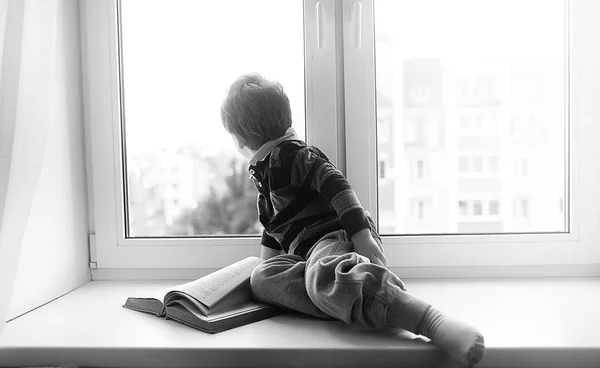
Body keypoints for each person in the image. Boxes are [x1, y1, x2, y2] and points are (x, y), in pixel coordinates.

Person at [220, 73, 485, 367]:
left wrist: (361, 236)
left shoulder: (292, 154)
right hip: (313, 254)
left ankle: (428, 321)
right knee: (262, 280)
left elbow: (337, 185)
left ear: (240, 136)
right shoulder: (264, 174)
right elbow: (273, 230)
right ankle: (355, 300)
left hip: (337, 235)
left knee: (321, 273)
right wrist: (262, 267)